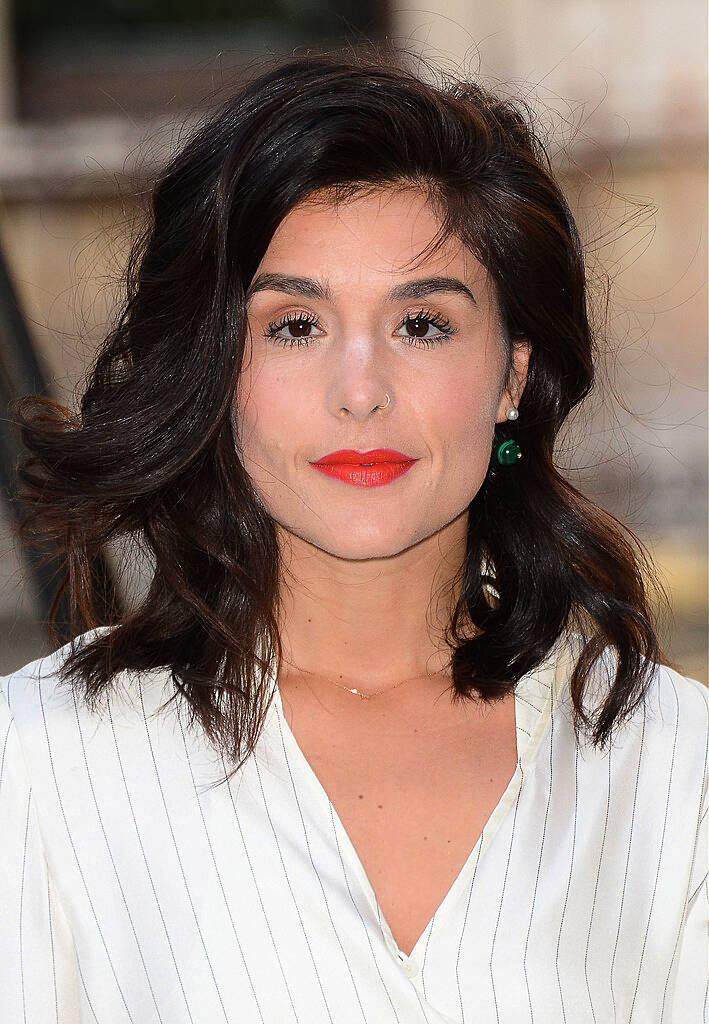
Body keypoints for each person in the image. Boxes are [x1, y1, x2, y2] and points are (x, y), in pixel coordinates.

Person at [1, 47, 706, 1024]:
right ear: (215, 371)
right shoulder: (38, 765)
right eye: (294, 326)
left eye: (421, 324)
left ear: (510, 374)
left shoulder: (674, 767)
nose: (360, 388)